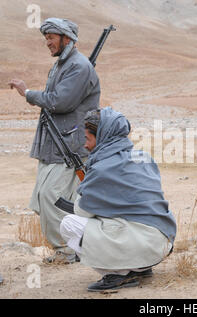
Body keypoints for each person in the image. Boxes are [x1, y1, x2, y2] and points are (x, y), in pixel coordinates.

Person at [9, 18, 100, 263]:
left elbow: (60, 102)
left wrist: (27, 93)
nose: (47, 42)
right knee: (41, 198)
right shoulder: (62, 65)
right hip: (54, 145)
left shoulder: (79, 66)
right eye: (46, 38)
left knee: (53, 197)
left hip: (69, 147)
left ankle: (69, 251)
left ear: (66, 38)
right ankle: (77, 245)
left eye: (51, 37)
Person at [59, 107, 176, 291]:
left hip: (143, 245)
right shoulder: (144, 157)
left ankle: (117, 274)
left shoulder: (102, 168)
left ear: (103, 136)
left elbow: (82, 210)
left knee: (69, 224)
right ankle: (139, 268)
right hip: (163, 244)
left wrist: (86, 187)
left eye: (88, 139)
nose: (85, 145)